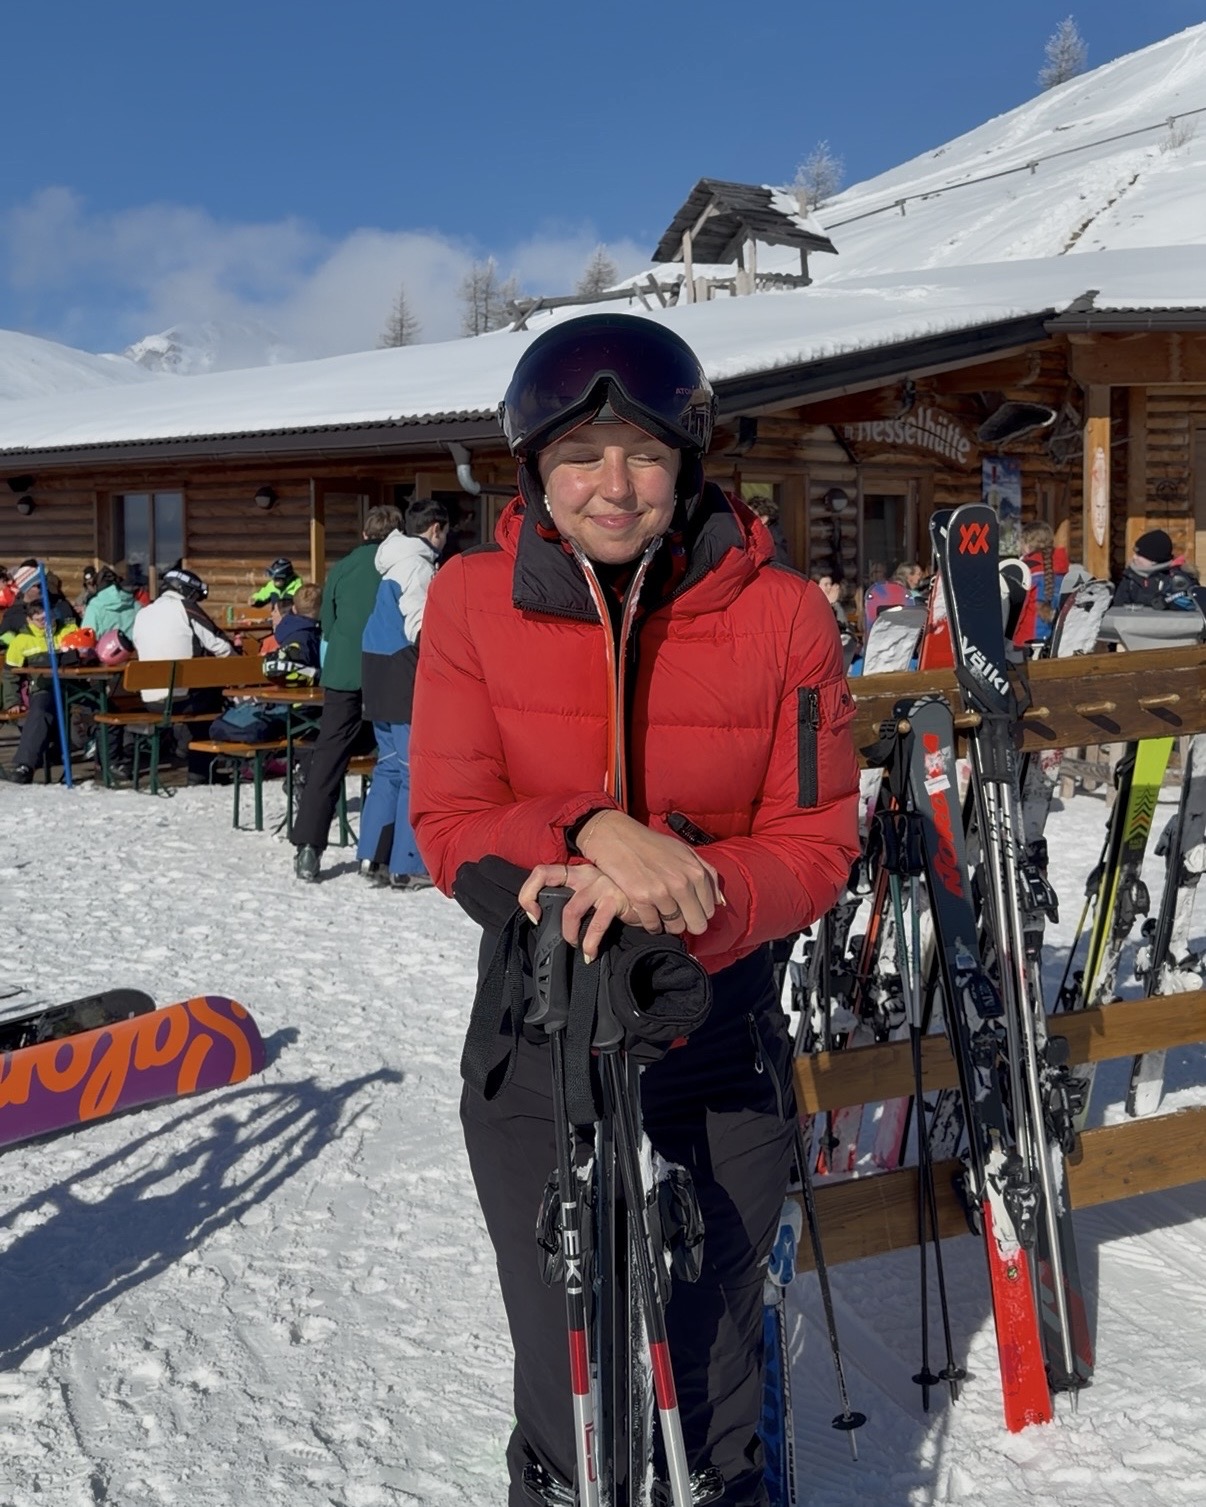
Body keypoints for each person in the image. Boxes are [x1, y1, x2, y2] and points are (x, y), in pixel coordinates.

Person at [410, 314, 860, 1507]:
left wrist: (684, 898)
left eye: (643, 454)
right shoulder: (466, 602)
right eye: (580, 455)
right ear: (534, 470)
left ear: (688, 462)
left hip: (715, 1030)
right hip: (539, 1022)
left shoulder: (787, 617)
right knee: (565, 1388)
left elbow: (815, 847)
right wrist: (586, 834)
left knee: (708, 1381)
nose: (613, 486)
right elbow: (451, 824)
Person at [293, 505, 404, 881]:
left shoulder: (341, 568)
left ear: (364, 534)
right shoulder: (397, 564)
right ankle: (384, 849)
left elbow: (327, 624)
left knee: (328, 759)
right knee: (395, 758)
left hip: (342, 672)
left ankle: (308, 848)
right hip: (387, 671)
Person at [357, 498, 448, 888]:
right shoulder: (417, 564)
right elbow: (420, 623)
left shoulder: (393, 559)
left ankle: (371, 857)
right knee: (413, 770)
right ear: (434, 530)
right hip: (401, 670)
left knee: (390, 766)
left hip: (376, 668)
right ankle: (406, 864)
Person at [130, 567, 235, 782]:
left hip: (151, 700)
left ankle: (187, 753)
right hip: (183, 698)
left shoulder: (142, 613)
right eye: (195, 595)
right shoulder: (186, 608)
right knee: (215, 699)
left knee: (197, 696)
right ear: (186, 591)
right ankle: (200, 771)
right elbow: (221, 646)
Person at [0, 589, 80, 782]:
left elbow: (84, 650)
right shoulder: (21, 641)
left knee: (99, 709)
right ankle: (24, 766)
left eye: (48, 618)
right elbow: (10, 674)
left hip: (74, 686)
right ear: (29, 621)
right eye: (40, 620)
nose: (46, 623)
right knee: (40, 711)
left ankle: (110, 762)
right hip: (43, 686)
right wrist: (12, 701)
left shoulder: (67, 631)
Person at [1111, 528, 1202, 609]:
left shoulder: (1178, 578)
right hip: (1133, 626)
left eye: (1139, 555)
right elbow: (1117, 610)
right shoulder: (1130, 578)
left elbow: (1193, 607)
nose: (1134, 557)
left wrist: (1166, 602)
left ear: (1154, 559)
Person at [1012, 521, 1069, 648]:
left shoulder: (1026, 569)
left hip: (1026, 640)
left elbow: (1017, 610)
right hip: (1055, 639)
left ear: (1026, 545)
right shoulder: (1062, 567)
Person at [81, 566, 140, 640]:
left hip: (105, 650)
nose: (91, 587)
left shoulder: (94, 607)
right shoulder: (133, 602)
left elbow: (86, 638)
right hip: (136, 649)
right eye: (88, 584)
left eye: (93, 583)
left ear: (97, 584)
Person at [863, 560, 922, 629]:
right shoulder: (914, 596)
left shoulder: (882, 594)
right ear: (909, 576)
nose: (920, 577)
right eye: (919, 574)